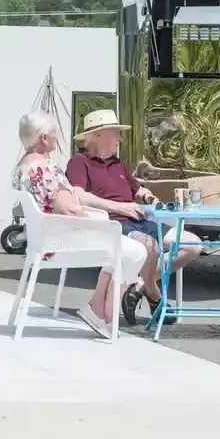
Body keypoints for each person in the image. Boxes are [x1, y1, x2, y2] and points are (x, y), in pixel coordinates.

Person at [12, 111, 148, 339]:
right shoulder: (46, 169)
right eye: (54, 132)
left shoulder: (22, 167)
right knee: (136, 252)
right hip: (63, 239)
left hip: (45, 238)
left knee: (122, 249)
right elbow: (68, 208)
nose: (57, 137)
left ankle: (97, 309)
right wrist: (97, 220)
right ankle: (103, 313)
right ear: (44, 138)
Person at [64, 109, 201, 327]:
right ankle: (154, 294)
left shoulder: (117, 163)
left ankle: (138, 286)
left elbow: (136, 190)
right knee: (152, 247)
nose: (120, 138)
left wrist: (146, 196)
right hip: (111, 224)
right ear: (97, 135)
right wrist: (119, 207)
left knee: (192, 245)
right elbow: (78, 196)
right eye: (115, 132)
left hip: (138, 219)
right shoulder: (79, 162)